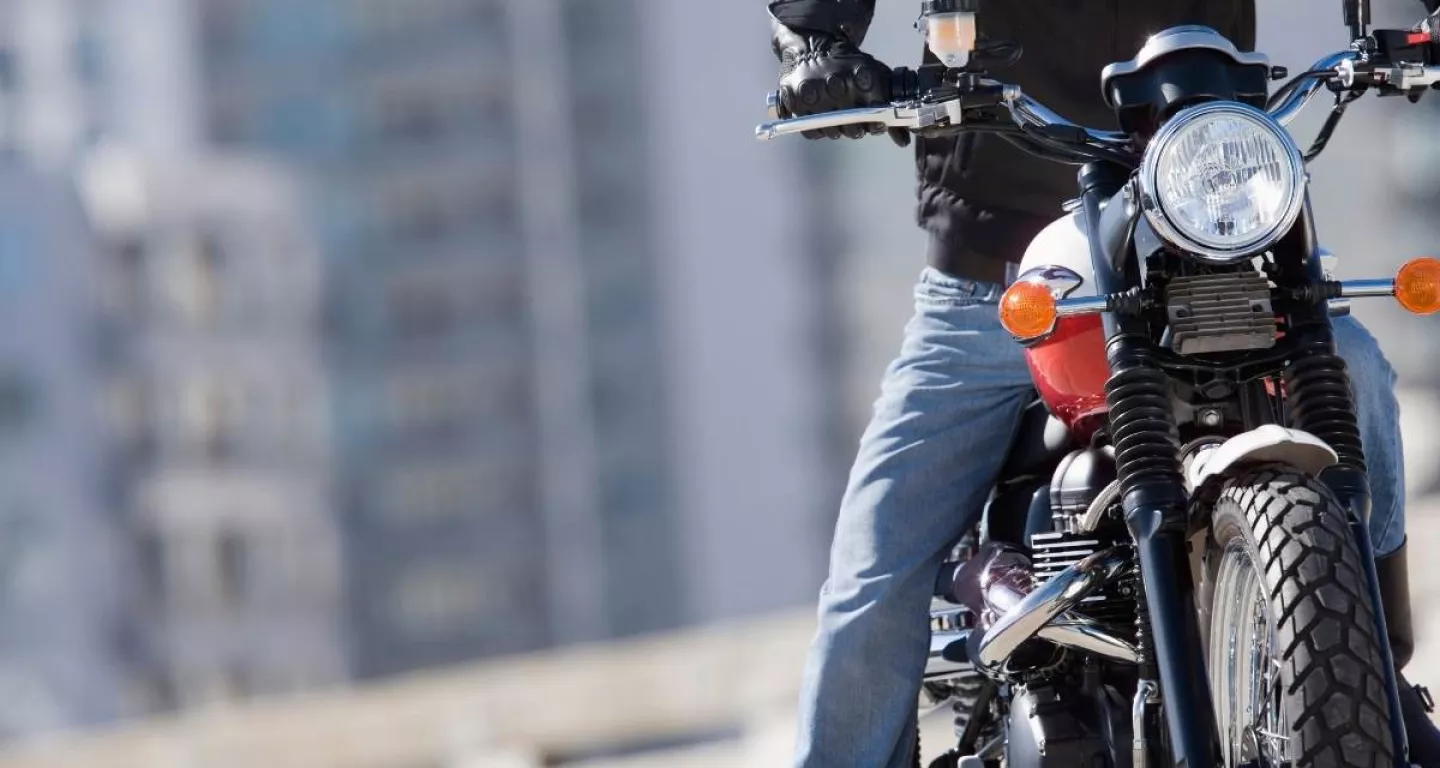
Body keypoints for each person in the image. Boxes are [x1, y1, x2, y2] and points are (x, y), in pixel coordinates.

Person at [765, 0, 1440, 765]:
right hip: (1001, 282)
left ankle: (1382, 689)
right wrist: (813, 41)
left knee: (1357, 375)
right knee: (874, 577)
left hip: (1205, 239)